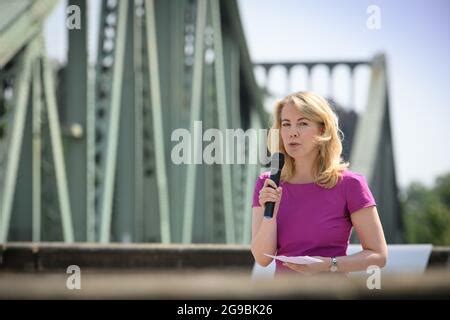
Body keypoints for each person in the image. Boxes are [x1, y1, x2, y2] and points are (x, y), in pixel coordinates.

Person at [251, 91, 387, 276]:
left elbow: (378, 256)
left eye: (303, 124)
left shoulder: (350, 185)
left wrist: (329, 264)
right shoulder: (267, 184)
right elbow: (262, 258)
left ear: (322, 130)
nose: (292, 132)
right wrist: (270, 217)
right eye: (286, 124)